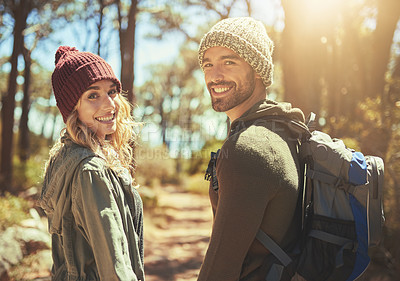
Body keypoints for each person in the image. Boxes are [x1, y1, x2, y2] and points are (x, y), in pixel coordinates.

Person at [197, 17, 305, 281]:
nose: (214, 75)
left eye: (229, 61)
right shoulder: (285, 132)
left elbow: (219, 270)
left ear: (257, 69)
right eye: (208, 64)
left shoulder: (247, 149)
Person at [38, 46, 145, 281]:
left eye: (112, 91)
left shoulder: (67, 154)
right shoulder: (91, 170)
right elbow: (115, 270)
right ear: (73, 107)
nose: (110, 105)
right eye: (93, 95)